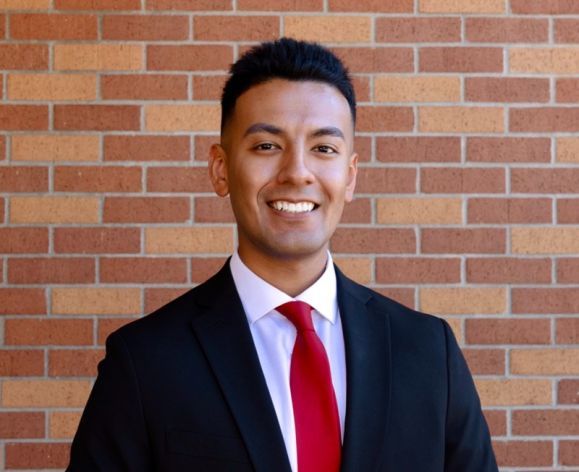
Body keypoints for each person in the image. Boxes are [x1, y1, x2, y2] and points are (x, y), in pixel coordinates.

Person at [67, 38, 498, 472]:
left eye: (323, 148)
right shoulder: (145, 362)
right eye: (267, 146)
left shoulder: (428, 353)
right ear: (221, 169)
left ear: (350, 177)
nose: (296, 172)